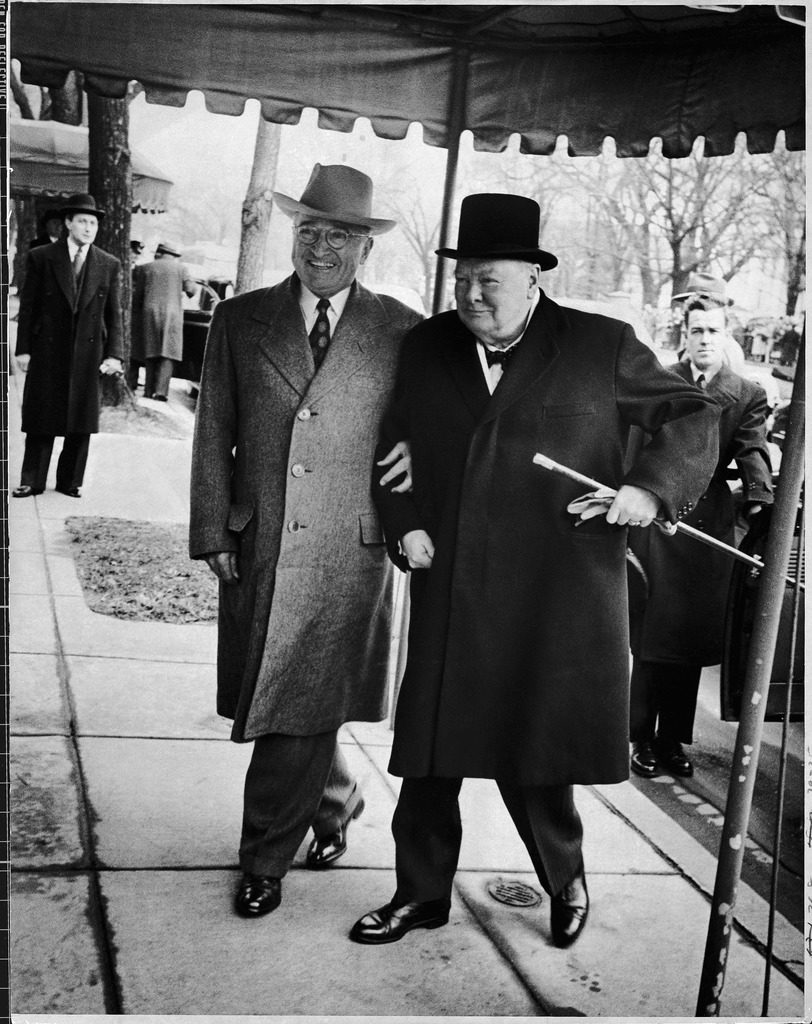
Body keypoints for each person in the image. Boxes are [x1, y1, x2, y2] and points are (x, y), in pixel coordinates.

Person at [349, 193, 720, 949]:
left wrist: (646, 489)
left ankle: (565, 880)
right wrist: (407, 522)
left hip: (557, 590)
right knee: (429, 755)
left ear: (531, 280)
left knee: (537, 749)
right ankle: (419, 895)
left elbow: (694, 414)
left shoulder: (600, 344)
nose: (472, 296)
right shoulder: (428, 347)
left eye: (490, 281)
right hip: (452, 581)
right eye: (463, 281)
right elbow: (398, 441)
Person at [189, 163, 423, 919]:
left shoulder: (402, 331)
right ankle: (336, 800)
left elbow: (433, 430)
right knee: (291, 692)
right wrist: (210, 528)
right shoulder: (239, 318)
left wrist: (420, 462)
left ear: (367, 249)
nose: (321, 246)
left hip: (351, 551)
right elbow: (213, 431)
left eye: (341, 235)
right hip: (259, 541)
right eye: (310, 229)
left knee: (296, 699)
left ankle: (264, 858)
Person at [628, 296, 774, 780]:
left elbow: (752, 450)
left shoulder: (747, 393)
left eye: (713, 331)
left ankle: (672, 740)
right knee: (652, 637)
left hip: (705, 524)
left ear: (725, 335)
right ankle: (640, 740)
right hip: (657, 518)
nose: (705, 339)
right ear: (685, 336)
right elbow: (637, 443)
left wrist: (761, 500)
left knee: (687, 641)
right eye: (697, 331)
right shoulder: (661, 381)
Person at [13, 193, 123, 499]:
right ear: (68, 223)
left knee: (81, 421)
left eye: (93, 223)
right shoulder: (43, 257)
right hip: (48, 350)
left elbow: (115, 314)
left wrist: (115, 354)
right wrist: (22, 349)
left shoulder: (108, 264)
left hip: (88, 354)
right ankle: (32, 480)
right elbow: (29, 306)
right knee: (41, 417)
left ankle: (70, 482)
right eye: (83, 221)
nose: (88, 228)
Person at [129, 241, 198, 400]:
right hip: (173, 316)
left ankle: (148, 390)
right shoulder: (181, 269)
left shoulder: (144, 268)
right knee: (168, 353)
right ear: (173, 256)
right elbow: (192, 290)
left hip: (148, 313)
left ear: (158, 253)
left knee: (150, 350)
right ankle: (160, 392)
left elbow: (137, 296)